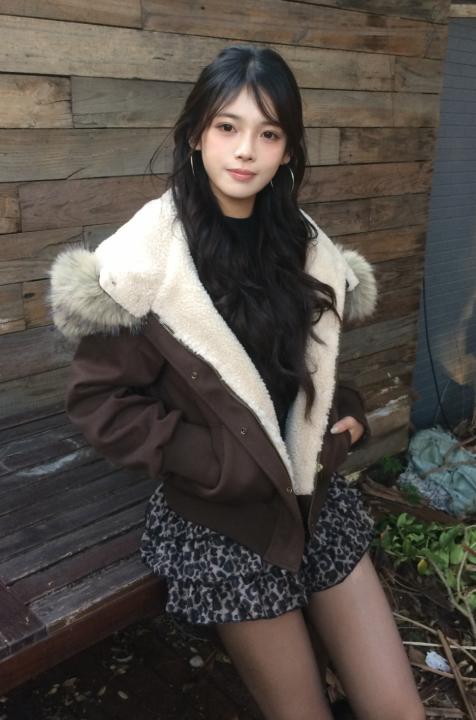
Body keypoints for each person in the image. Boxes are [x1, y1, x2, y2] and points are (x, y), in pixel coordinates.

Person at [48, 45, 425, 720]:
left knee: (399, 710)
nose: (246, 150)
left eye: (269, 132)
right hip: (223, 522)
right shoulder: (143, 261)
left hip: (312, 499)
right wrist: (220, 463)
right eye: (228, 126)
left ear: (289, 149)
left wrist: (345, 411)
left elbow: (308, 365)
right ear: (197, 133)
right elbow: (98, 402)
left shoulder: (303, 245)